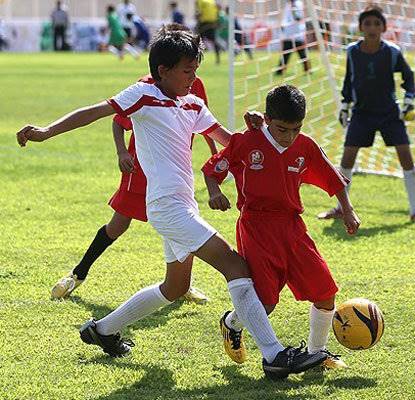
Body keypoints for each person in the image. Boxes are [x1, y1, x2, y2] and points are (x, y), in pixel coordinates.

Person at [16, 27, 326, 378]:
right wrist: (45, 131)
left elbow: (228, 141)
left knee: (175, 287)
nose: (193, 79)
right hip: (166, 207)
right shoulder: (143, 95)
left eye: (195, 70)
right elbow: (96, 111)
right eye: (187, 71)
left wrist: (260, 131)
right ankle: (273, 355)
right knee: (236, 267)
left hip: (184, 205)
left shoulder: (193, 103)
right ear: (163, 70)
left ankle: (101, 330)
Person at [51, 24, 216, 304]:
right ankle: (77, 274)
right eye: (187, 66)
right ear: (165, 66)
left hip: (175, 170)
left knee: (179, 223)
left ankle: (181, 284)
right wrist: (121, 154)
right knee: (118, 226)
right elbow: (117, 121)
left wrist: (214, 154)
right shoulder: (146, 89)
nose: (191, 72)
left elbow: (207, 124)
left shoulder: (193, 84)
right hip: (140, 168)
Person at [202, 84, 360, 371]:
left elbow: (333, 179)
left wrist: (347, 211)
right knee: (265, 303)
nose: (289, 137)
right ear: (266, 119)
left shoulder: (305, 146)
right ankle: (232, 322)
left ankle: (318, 353)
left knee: (325, 294)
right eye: (282, 129)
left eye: (296, 129)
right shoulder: (246, 141)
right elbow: (213, 169)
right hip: (257, 227)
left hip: (292, 227)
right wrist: (215, 192)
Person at [318, 7, 415, 222]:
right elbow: (349, 80)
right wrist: (345, 105)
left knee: (406, 157)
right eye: (367, 24)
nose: (372, 28)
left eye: (376, 24)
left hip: (389, 113)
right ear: (361, 27)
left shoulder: (392, 52)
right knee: (347, 158)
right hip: (361, 113)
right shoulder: (352, 51)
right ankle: (341, 208)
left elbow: (409, 78)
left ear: (384, 28)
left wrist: (409, 102)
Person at [275, 0, 310, 75]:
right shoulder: (288, 4)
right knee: (285, 53)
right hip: (288, 33)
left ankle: (307, 70)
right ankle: (280, 71)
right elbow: (287, 17)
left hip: (297, 33)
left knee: (302, 54)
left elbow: (298, 17)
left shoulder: (297, 3)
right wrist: (283, 25)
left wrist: (293, 7)